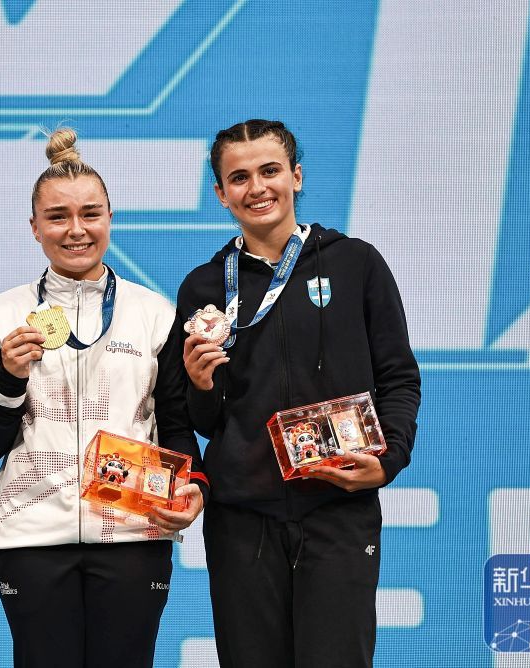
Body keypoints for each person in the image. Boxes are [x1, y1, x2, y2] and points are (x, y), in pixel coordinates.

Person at [177, 119, 421, 667]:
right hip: (242, 519)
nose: (257, 188)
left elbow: (399, 377)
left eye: (270, 171)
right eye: (239, 177)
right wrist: (200, 385)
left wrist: (389, 460)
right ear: (220, 193)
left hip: (338, 508)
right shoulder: (204, 287)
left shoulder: (355, 263)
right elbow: (202, 419)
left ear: (297, 176)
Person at [0, 128, 209, 668]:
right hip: (30, 534)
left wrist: (193, 485)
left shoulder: (154, 314)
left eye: (90, 214)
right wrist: (9, 377)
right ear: (34, 227)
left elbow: (175, 424)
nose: (76, 230)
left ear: (110, 218)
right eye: (57, 217)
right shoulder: (0, 316)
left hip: (134, 531)